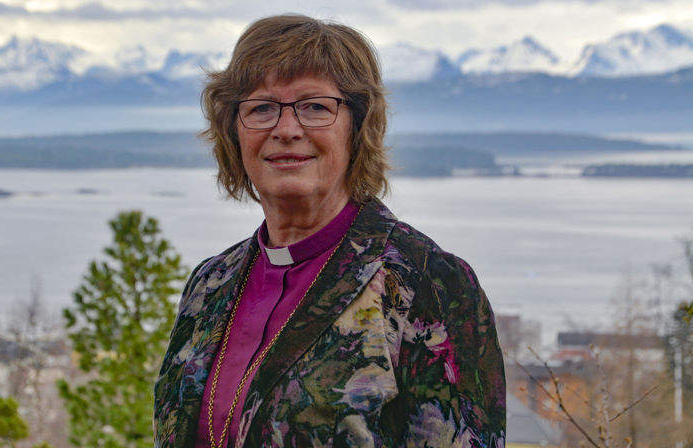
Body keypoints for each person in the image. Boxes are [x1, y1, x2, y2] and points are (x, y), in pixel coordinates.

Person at [153, 14, 506, 448]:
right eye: (261, 108)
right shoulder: (210, 284)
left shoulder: (427, 284)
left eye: (315, 107)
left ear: (357, 128)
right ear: (233, 131)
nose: (285, 130)